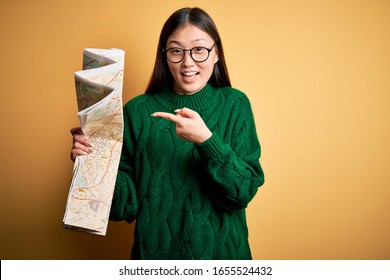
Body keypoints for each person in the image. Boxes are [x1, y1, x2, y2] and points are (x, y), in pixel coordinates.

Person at [70, 7, 265, 260]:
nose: (188, 62)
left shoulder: (235, 104)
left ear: (216, 53)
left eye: (199, 49)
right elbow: (122, 206)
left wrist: (207, 141)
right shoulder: (137, 112)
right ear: (165, 56)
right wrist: (91, 162)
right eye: (176, 50)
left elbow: (243, 191)